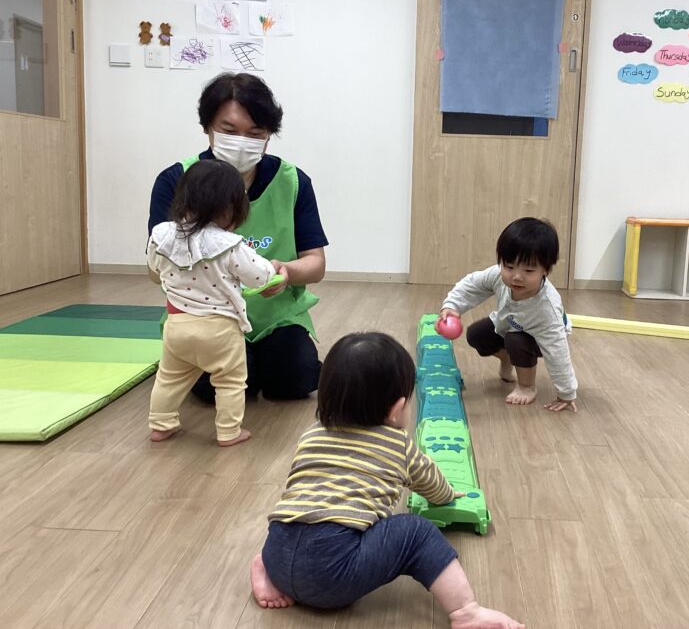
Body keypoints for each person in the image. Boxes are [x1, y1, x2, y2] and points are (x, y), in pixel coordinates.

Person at [250, 332, 526, 629]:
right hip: (331, 577)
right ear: (396, 410)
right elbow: (432, 484)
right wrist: (448, 495)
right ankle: (466, 611)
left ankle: (263, 566)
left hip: (279, 550)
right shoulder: (397, 444)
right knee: (416, 530)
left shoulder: (311, 435)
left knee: (300, 519)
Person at [148, 73, 327, 401]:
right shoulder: (176, 180)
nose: (242, 142)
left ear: (268, 136)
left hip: (275, 316)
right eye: (229, 131)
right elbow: (155, 267)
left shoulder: (292, 182)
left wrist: (286, 272)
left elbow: (315, 263)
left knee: (295, 379)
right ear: (208, 128)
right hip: (202, 317)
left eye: (255, 134)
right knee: (219, 389)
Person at [147, 160, 276, 446]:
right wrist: (273, 269)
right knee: (230, 381)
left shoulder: (162, 235)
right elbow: (260, 277)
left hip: (177, 325)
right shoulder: (229, 244)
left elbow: (154, 268)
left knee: (169, 378)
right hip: (219, 330)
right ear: (233, 209)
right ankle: (229, 432)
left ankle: (160, 424)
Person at [439, 217, 577, 412]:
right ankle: (507, 357)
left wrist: (566, 392)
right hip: (509, 323)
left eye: (529, 270)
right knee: (476, 334)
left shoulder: (547, 310)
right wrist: (452, 306)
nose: (517, 276)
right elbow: (472, 285)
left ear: (545, 270)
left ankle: (527, 386)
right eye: (509, 266)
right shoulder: (498, 275)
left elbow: (558, 353)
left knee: (516, 340)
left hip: (540, 338)